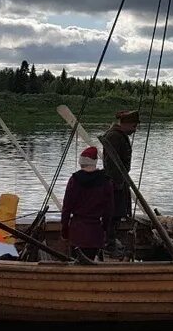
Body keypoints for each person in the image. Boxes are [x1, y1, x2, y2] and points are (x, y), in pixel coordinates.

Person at [60, 146, 114, 263]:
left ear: (81, 163)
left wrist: (65, 229)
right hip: (95, 231)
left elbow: (66, 208)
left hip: (77, 231)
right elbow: (108, 211)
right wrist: (105, 229)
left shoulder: (74, 180)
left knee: (75, 262)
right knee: (91, 261)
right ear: (95, 162)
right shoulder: (106, 182)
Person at [101, 109, 140, 251]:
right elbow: (111, 162)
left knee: (118, 213)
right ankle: (108, 243)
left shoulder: (119, 135)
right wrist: (116, 182)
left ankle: (111, 240)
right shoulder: (114, 136)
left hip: (119, 180)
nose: (135, 130)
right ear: (126, 124)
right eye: (134, 126)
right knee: (113, 213)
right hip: (115, 181)